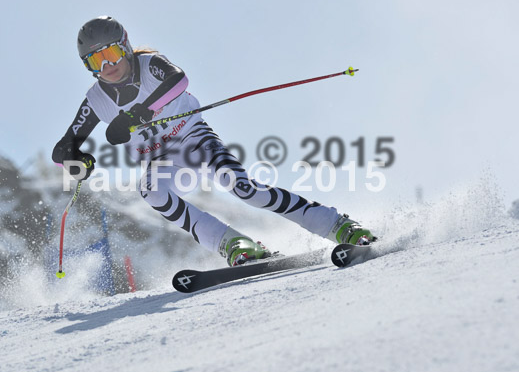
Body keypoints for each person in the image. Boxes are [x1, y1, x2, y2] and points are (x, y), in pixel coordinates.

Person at [52, 16, 376, 266]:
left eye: (110, 53)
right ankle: (234, 243)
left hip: (194, 141)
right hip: (161, 161)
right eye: (96, 61)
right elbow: (63, 147)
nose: (108, 66)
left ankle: (337, 225)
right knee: (151, 190)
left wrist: (140, 113)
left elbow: (180, 80)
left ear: (124, 46)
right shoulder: (97, 100)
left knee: (244, 189)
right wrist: (76, 160)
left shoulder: (150, 64)